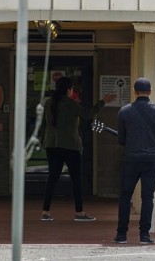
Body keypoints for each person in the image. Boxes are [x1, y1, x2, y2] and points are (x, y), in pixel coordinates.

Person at [41, 76, 116, 222]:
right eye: (72, 89)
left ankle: (45, 211)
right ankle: (79, 212)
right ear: (68, 90)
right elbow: (88, 114)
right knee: (76, 179)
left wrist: (43, 140)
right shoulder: (70, 104)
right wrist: (103, 102)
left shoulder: (48, 103)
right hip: (70, 145)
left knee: (52, 178)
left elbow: (45, 124)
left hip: (52, 144)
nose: (72, 91)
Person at [114, 77, 155, 245]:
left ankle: (121, 235)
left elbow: (121, 140)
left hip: (131, 159)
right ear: (150, 92)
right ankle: (144, 235)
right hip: (152, 160)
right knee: (147, 197)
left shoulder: (124, 112)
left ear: (135, 92)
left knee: (125, 195)